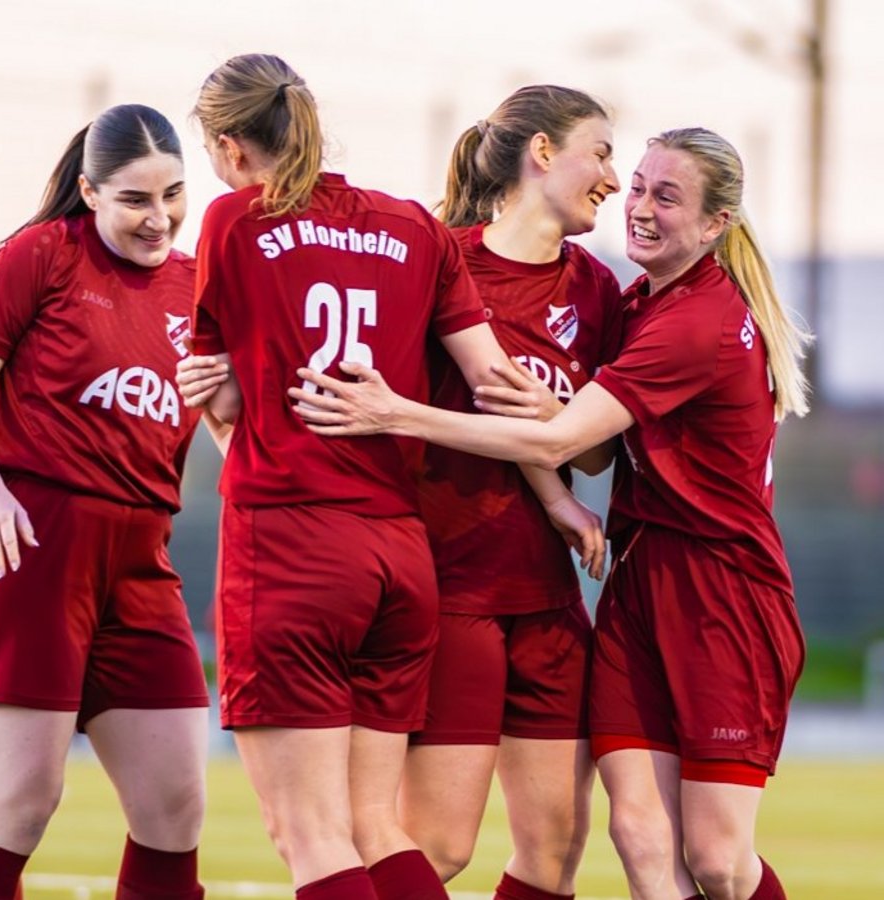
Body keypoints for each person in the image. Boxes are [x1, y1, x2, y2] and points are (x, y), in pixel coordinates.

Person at [292, 127, 808, 900]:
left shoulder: (693, 318)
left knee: (717, 862)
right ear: (537, 153)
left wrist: (396, 413)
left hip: (721, 594)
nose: (634, 202)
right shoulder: (633, 297)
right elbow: (591, 446)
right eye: (634, 181)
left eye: (666, 196)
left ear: (715, 225)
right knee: (635, 831)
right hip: (634, 581)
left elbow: (574, 439)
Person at [178, 54, 602, 900]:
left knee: (311, 832)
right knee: (379, 829)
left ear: (228, 146)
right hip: (402, 559)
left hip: (294, 538)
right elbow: (498, 388)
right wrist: (556, 480)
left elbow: (221, 388)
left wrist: (224, 410)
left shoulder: (233, 219)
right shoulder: (415, 227)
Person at [0, 103, 211, 900]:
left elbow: (224, 420)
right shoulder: (43, 255)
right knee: (19, 805)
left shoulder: (197, 286)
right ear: (88, 191)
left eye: (173, 195)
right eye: (135, 200)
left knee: (175, 809)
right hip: (32, 545)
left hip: (142, 559)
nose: (160, 219)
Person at [399, 86, 625, 900]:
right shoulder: (437, 259)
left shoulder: (596, 289)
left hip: (549, 598)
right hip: (451, 590)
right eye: (599, 151)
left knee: (557, 850)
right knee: (437, 847)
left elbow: (596, 456)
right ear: (541, 153)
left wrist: (559, 420)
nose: (614, 174)